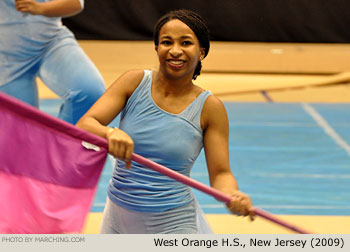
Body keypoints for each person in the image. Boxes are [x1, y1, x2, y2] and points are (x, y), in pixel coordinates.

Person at [76, 9, 255, 234]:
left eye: (186, 43)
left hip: (172, 225)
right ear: (157, 48)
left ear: (201, 51)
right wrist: (110, 133)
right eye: (166, 42)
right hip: (117, 219)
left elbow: (221, 173)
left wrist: (232, 195)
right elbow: (85, 124)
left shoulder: (210, 108)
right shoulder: (133, 82)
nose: (175, 51)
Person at [0, 0, 106, 124]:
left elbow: (75, 3)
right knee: (23, 130)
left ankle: (64, 140)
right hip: (7, 57)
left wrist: (41, 8)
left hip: (52, 42)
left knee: (91, 92)